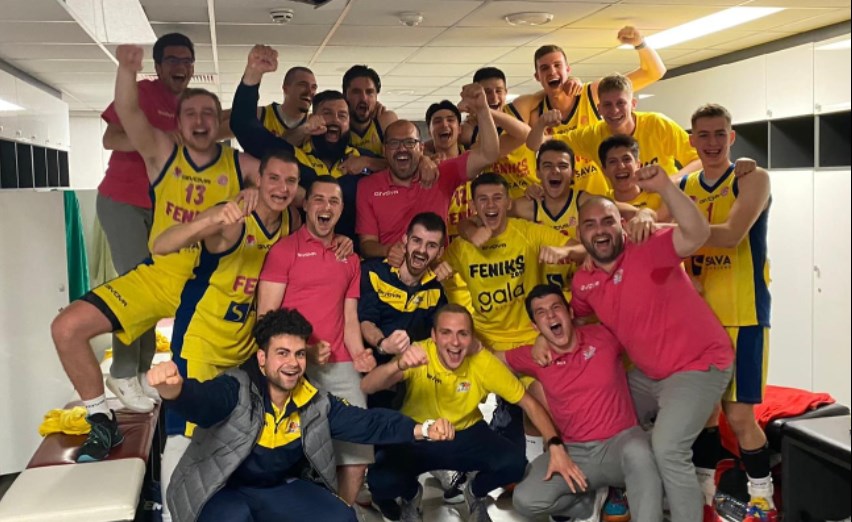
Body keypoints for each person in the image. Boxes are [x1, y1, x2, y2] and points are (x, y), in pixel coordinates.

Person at [51, 43, 260, 462]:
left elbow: (288, 179)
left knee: (200, 410)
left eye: (208, 114)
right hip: (162, 275)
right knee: (66, 328)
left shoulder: (241, 165)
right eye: (190, 114)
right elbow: (129, 114)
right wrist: (126, 70)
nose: (199, 121)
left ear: (219, 123)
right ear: (177, 124)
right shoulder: (163, 152)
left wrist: (259, 190)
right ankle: (101, 420)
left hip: (212, 290)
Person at [540, 165, 735, 522]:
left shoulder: (649, 247)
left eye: (607, 221)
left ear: (622, 225)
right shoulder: (584, 282)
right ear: (579, 233)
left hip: (698, 364)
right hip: (650, 374)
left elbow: (698, 233)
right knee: (602, 407)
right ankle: (622, 486)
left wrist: (664, 188)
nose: (600, 230)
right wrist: (544, 338)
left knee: (668, 448)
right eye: (590, 224)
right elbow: (574, 322)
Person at [154, 308, 455, 522]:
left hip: (275, 489)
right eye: (282, 353)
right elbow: (203, 402)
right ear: (262, 359)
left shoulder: (313, 400)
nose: (293, 363)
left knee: (342, 517)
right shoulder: (235, 388)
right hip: (222, 492)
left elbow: (366, 423)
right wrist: (175, 391)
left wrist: (422, 429)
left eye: (299, 354)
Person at [150, 150, 309, 517]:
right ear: (258, 179)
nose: (282, 188)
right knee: (185, 431)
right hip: (202, 340)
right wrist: (209, 219)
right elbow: (161, 244)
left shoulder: (290, 221)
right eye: (273, 178)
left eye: (290, 181)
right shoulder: (233, 217)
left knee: (230, 429)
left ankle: (215, 505)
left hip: (244, 346)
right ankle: (173, 515)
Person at [362, 304, 575, 522]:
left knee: (515, 464)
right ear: (434, 336)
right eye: (446, 333)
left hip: (466, 432)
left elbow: (530, 404)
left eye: (462, 334)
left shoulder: (483, 362)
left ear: (472, 338)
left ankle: (475, 492)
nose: (455, 342)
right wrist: (397, 365)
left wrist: (555, 445)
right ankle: (411, 495)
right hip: (419, 433)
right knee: (379, 481)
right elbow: (368, 386)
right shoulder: (420, 353)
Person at [681, 104, 775, 522]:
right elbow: (646, 212)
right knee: (703, 414)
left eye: (720, 133)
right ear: (692, 140)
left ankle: (763, 498)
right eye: (704, 135)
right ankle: (707, 496)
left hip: (743, 314)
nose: (713, 142)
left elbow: (733, 234)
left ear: (732, 137)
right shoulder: (686, 184)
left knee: (738, 415)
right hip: (699, 319)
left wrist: (667, 230)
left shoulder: (753, 178)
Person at [257, 176, 375, 505]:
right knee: (292, 455)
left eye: (334, 201)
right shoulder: (283, 251)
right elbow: (265, 319)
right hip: (293, 365)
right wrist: (304, 351)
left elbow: (349, 317)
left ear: (341, 209)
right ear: (306, 205)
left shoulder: (350, 257)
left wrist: (360, 354)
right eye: (319, 199)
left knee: (357, 453)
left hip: (341, 364)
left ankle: (341, 512)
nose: (326, 207)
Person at [502, 284, 662, 522]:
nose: (551, 316)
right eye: (541, 313)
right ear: (535, 326)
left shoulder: (604, 336)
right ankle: (586, 505)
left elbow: (644, 318)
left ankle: (631, 499)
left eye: (556, 308)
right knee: (526, 499)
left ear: (570, 313)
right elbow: (490, 361)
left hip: (621, 444)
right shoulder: (535, 356)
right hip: (576, 454)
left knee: (639, 452)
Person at [97, 33, 195, 413]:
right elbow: (110, 138)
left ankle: (140, 371)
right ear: (158, 66)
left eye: (186, 61)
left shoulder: (188, 105)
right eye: (172, 60)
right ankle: (122, 372)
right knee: (136, 287)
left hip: (161, 210)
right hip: (123, 201)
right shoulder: (141, 93)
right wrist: (155, 139)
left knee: (154, 289)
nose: (180, 67)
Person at [230, 45, 386, 243]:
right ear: (313, 118)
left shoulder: (363, 159)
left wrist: (370, 163)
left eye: (342, 115)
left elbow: (403, 170)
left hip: (353, 257)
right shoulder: (293, 158)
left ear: (349, 123)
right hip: (300, 255)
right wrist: (254, 73)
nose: (335, 120)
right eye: (327, 113)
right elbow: (243, 126)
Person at [511, 26, 666, 194]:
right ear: (537, 77)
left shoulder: (592, 93)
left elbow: (654, 72)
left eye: (557, 65)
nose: (552, 71)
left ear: (568, 69)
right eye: (544, 68)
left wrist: (640, 43)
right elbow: (533, 144)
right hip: (566, 200)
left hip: (604, 194)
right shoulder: (537, 112)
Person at [356, 83, 500, 259]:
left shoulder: (442, 174)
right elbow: (367, 244)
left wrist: (483, 109)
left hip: (435, 270)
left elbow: (489, 154)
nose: (402, 149)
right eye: (394, 143)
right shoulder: (368, 186)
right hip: (388, 272)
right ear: (384, 150)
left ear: (421, 148)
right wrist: (388, 250)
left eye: (409, 142)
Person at [527, 73, 701, 180]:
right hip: (622, 214)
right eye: (607, 105)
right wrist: (541, 123)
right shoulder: (592, 135)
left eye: (620, 103)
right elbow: (535, 144)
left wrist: (674, 180)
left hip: (666, 211)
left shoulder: (657, 123)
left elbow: (698, 160)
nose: (614, 110)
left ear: (633, 104)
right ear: (599, 109)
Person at [359, 212, 448, 366]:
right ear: (405, 240)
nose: (422, 250)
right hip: (370, 366)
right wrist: (383, 344)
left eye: (431, 246)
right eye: (416, 241)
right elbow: (366, 322)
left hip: (412, 370)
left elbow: (441, 334)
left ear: (440, 253)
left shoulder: (437, 289)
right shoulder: (373, 272)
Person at [218, 65, 318, 140]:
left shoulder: (315, 126)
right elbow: (213, 134)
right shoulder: (260, 116)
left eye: (314, 87)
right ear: (286, 89)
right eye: (303, 85)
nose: (310, 91)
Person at [343, 64, 398, 155]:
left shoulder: (386, 122)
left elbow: (402, 159)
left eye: (369, 92)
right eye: (356, 92)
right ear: (345, 95)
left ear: (376, 96)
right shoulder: (337, 126)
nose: (363, 98)